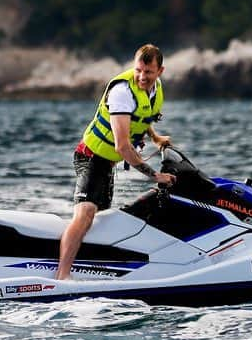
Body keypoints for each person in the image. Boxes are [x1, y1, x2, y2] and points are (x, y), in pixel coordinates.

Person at [56, 43, 176, 280]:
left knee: (102, 216)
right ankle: (62, 275)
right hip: (90, 156)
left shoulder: (154, 89)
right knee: (87, 213)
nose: (142, 76)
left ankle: (95, 268)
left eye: (148, 72)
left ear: (159, 72)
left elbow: (141, 117)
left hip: (107, 163)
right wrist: (155, 176)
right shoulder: (122, 92)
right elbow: (122, 146)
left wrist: (155, 137)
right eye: (138, 70)